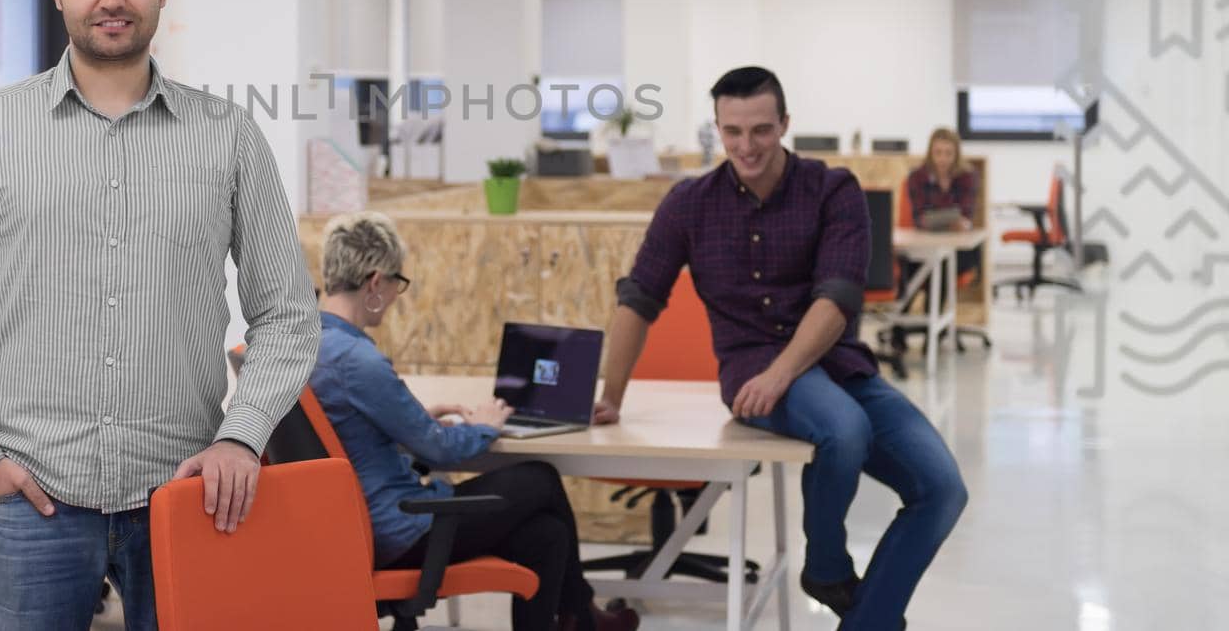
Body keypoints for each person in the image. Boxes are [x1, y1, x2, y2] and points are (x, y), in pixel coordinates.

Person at [0, 0, 321, 631]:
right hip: (28, 498)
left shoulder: (227, 138)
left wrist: (242, 436)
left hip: (186, 495)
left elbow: (286, 313)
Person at [593, 67, 966, 631]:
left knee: (942, 489)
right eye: (733, 131)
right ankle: (829, 566)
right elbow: (640, 297)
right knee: (843, 429)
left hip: (836, 363)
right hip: (749, 368)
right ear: (717, 128)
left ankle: (858, 611)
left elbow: (838, 296)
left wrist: (782, 375)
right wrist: (610, 395)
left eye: (762, 130)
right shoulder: (689, 203)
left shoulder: (833, 190)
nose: (747, 146)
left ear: (785, 124)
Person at [311, 211, 638, 631]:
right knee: (541, 478)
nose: (395, 295)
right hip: (403, 529)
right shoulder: (357, 360)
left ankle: (578, 617)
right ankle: (585, 615)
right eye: (396, 284)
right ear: (375, 282)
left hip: (357, 530)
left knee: (546, 536)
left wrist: (405, 419)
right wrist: (486, 424)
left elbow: (341, 428)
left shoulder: (311, 344)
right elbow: (440, 450)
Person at [905, 127, 982, 278]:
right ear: (930, 153)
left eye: (948, 153)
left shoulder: (968, 176)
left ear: (956, 154)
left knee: (942, 267)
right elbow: (919, 219)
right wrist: (949, 220)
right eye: (938, 152)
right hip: (925, 245)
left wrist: (935, 220)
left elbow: (965, 216)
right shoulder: (917, 177)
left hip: (958, 248)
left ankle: (932, 302)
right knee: (923, 266)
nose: (943, 159)